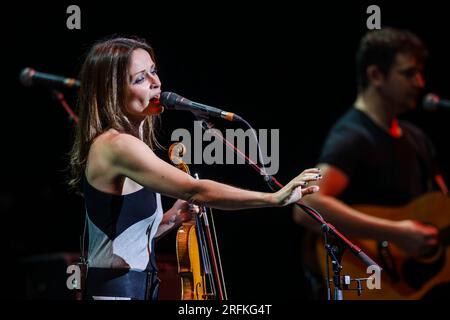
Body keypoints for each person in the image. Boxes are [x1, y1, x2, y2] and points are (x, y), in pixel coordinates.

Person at [68, 36, 321, 300]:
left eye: (153, 71)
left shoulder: (130, 145)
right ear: (112, 92)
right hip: (115, 292)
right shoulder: (116, 145)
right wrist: (273, 198)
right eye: (140, 79)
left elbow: (127, 241)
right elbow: (195, 190)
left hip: (139, 289)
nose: (157, 82)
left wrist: (172, 219)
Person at [293, 27, 448, 299]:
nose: (420, 83)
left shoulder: (417, 139)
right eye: (409, 73)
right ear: (376, 75)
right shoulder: (353, 136)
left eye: (420, 73)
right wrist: (396, 233)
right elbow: (306, 204)